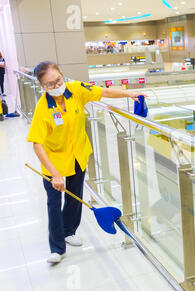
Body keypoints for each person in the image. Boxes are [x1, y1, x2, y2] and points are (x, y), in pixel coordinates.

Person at [27, 61, 143, 264]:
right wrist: (55, 174)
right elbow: (37, 145)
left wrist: (129, 95)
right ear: (42, 86)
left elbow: (103, 92)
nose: (56, 86)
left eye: (58, 81)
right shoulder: (43, 108)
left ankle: (69, 231)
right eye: (49, 84)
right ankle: (57, 248)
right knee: (54, 204)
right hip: (53, 162)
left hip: (78, 156)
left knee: (74, 198)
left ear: (62, 75)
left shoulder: (77, 89)